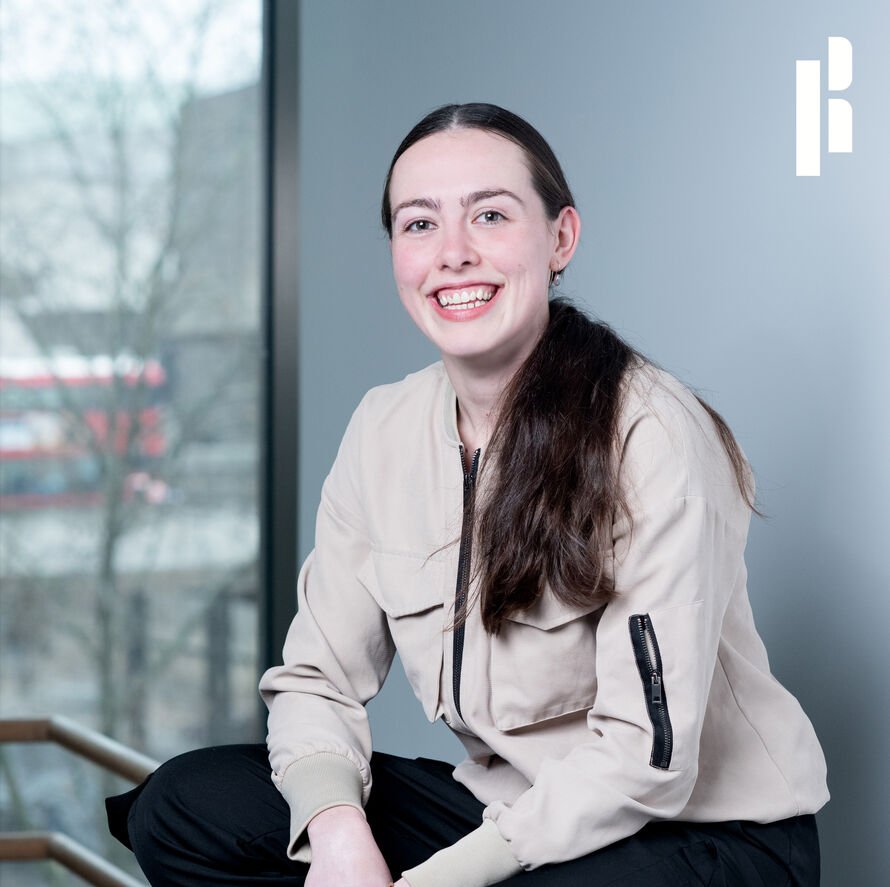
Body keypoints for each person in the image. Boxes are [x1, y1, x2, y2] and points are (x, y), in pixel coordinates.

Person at [107, 103, 829, 886]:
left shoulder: (651, 433)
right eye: (419, 225)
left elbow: (645, 757)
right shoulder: (383, 428)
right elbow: (316, 679)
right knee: (185, 804)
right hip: (502, 810)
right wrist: (337, 831)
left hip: (696, 837)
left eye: (489, 215)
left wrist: (439, 880)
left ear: (560, 238)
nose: (452, 254)